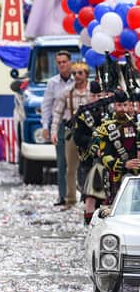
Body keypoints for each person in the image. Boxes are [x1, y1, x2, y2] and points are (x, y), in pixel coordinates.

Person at [50, 62, 90, 209]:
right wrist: (54, 131)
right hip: (72, 131)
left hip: (88, 132)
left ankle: (90, 197)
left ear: (86, 74)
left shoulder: (92, 91)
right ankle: (70, 199)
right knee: (71, 167)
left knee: (90, 166)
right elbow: (57, 113)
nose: (77, 76)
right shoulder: (67, 92)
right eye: (74, 73)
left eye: (80, 73)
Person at [72, 81, 111, 223]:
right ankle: (89, 224)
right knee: (90, 195)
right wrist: (93, 144)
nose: (96, 98)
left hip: (107, 160)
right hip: (88, 161)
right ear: (88, 95)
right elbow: (78, 137)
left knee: (107, 195)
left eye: (98, 95)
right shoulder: (82, 114)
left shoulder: (108, 111)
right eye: (93, 95)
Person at [40, 50, 74, 205]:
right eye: (59, 62)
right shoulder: (53, 83)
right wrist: (46, 126)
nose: (61, 65)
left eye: (64, 62)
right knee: (62, 161)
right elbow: (47, 105)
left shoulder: (78, 80)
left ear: (70, 62)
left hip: (77, 124)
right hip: (60, 125)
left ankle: (78, 194)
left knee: (79, 162)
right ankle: (63, 195)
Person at [97, 89, 140, 201]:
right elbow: (105, 157)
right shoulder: (106, 128)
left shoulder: (136, 125)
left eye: (125, 105)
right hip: (117, 176)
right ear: (114, 106)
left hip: (136, 174)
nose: (123, 109)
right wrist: (124, 164)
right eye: (119, 105)